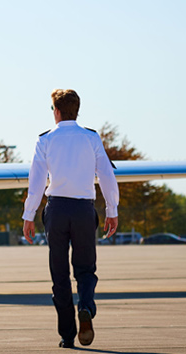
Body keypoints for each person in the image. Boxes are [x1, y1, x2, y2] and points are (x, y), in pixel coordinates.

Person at [22, 89, 119, 349]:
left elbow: (37, 182)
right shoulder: (90, 138)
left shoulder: (45, 140)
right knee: (85, 269)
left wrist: (28, 215)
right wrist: (112, 210)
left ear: (55, 111)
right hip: (84, 210)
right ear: (77, 110)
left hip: (56, 210)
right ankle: (85, 306)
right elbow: (107, 176)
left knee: (60, 274)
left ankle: (67, 334)